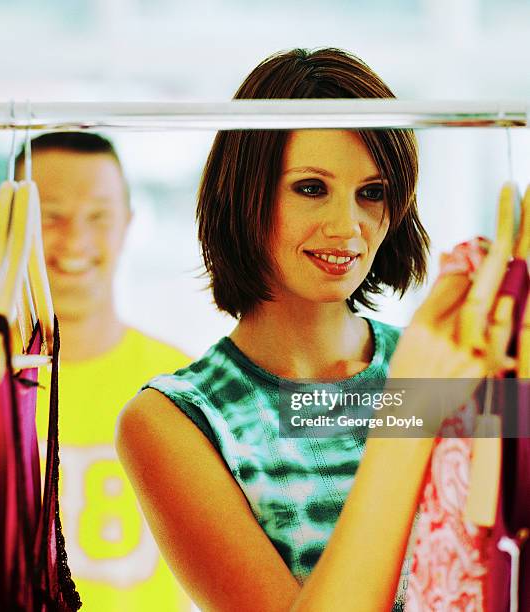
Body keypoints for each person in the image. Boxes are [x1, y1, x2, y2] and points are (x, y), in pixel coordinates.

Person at [116, 48, 520, 611]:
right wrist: (415, 408)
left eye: (371, 192)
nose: (345, 225)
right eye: (311, 188)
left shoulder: (461, 369)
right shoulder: (176, 421)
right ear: (245, 193)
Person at [15, 132, 194, 611]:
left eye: (98, 216)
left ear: (127, 225)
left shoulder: (188, 386)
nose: (74, 240)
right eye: (49, 216)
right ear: (8, 229)